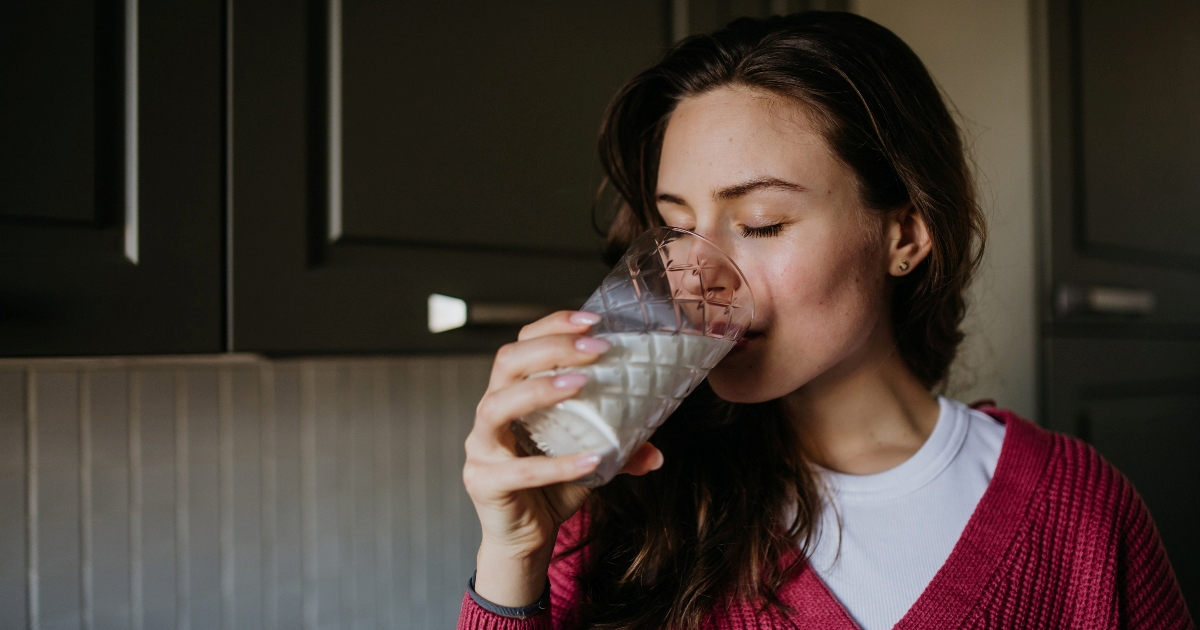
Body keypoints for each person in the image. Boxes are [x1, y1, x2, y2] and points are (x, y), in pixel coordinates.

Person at [457, 11, 1193, 630]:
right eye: (676, 228)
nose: (696, 276)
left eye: (763, 222)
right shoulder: (622, 499)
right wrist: (513, 556)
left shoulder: (1080, 514)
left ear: (905, 234)